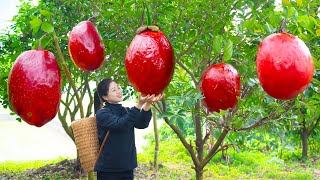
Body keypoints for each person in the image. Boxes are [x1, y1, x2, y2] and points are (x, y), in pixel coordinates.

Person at [93, 78, 164, 180]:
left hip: (127, 168)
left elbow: (142, 124)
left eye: (118, 88)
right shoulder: (102, 113)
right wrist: (139, 104)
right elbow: (121, 124)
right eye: (114, 90)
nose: (119, 91)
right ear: (105, 96)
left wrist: (148, 103)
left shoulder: (126, 111)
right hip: (108, 170)